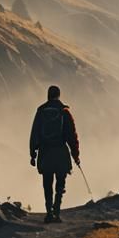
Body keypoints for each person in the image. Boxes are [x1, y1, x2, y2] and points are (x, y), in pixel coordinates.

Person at [29, 84, 80, 223]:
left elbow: (35, 133)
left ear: (48, 95)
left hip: (45, 152)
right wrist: (76, 156)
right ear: (58, 95)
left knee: (47, 183)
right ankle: (57, 211)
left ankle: (48, 212)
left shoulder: (41, 111)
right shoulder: (64, 112)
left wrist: (32, 153)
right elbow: (72, 135)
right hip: (61, 152)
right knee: (60, 182)